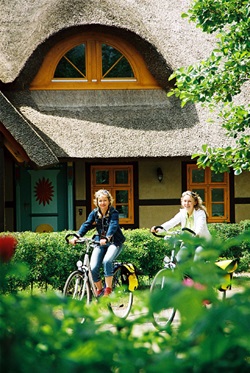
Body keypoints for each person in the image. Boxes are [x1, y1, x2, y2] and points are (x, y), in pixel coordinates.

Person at [69, 189, 125, 296]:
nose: (102, 203)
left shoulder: (114, 213)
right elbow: (86, 225)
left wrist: (107, 237)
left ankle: (108, 289)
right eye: (100, 201)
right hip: (99, 242)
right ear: (97, 202)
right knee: (93, 268)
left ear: (109, 201)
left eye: (105, 200)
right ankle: (99, 291)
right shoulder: (94, 213)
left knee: (107, 261)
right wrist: (77, 236)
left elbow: (113, 225)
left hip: (114, 243)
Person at [151, 190, 211, 263]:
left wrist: (196, 233)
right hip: (188, 243)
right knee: (179, 261)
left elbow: (200, 226)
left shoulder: (200, 213)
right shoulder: (182, 213)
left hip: (201, 243)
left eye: (189, 201)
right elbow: (172, 222)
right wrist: (159, 229)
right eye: (185, 201)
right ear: (182, 202)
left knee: (197, 262)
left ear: (195, 202)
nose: (187, 203)